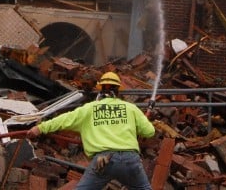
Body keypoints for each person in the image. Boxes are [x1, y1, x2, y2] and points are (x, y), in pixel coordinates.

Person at [26, 71, 155, 189]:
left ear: (100, 90)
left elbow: (63, 120)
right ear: (118, 91)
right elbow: (149, 132)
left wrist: (39, 128)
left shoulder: (89, 109)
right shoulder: (130, 108)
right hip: (130, 160)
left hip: (103, 161)